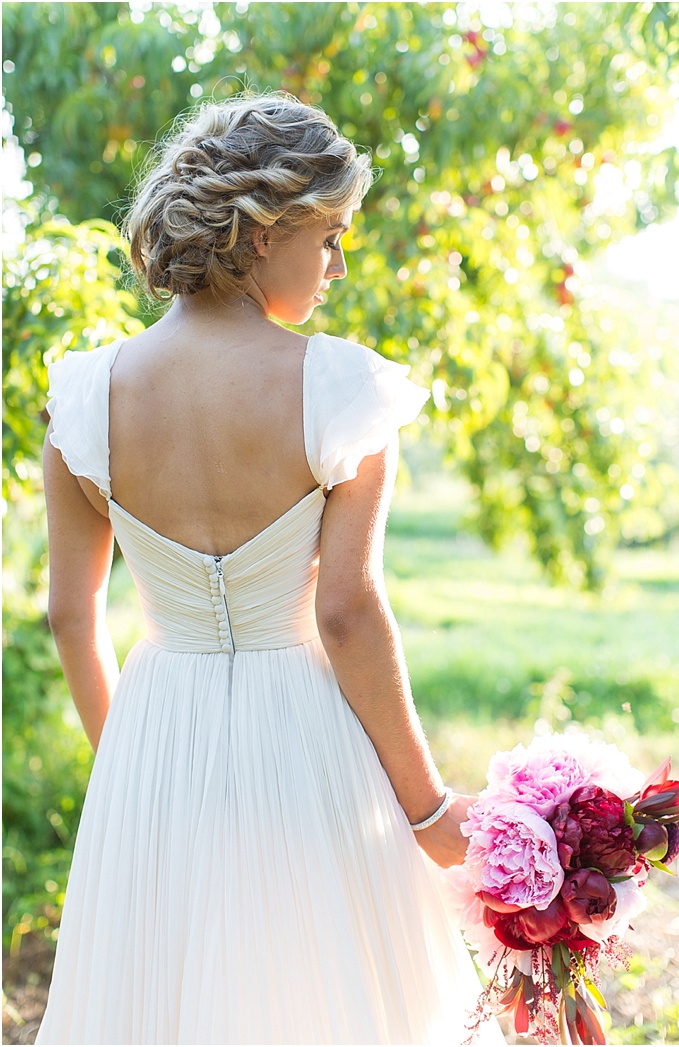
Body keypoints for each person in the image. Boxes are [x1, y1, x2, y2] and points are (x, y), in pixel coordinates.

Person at [37, 92, 504, 1045]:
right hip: (307, 732)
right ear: (260, 234)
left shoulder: (83, 397)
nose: (337, 263)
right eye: (328, 235)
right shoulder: (343, 388)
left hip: (153, 731)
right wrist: (427, 811)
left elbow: (72, 617)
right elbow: (346, 614)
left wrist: (126, 761)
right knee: (328, 993)